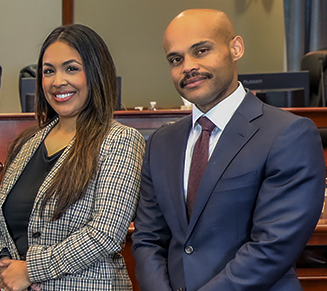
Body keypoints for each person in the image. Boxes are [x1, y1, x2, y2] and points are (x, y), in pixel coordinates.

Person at [131, 9, 326, 291]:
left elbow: (272, 246)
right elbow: (148, 239)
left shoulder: (289, 134)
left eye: (201, 50)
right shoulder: (161, 143)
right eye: (176, 59)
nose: (187, 66)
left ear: (236, 48)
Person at [0, 24, 144, 291]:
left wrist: (31, 271)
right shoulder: (27, 143)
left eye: (71, 68)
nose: (57, 81)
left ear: (96, 73)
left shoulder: (120, 140)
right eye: (48, 71)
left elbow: (105, 234)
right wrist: (4, 264)